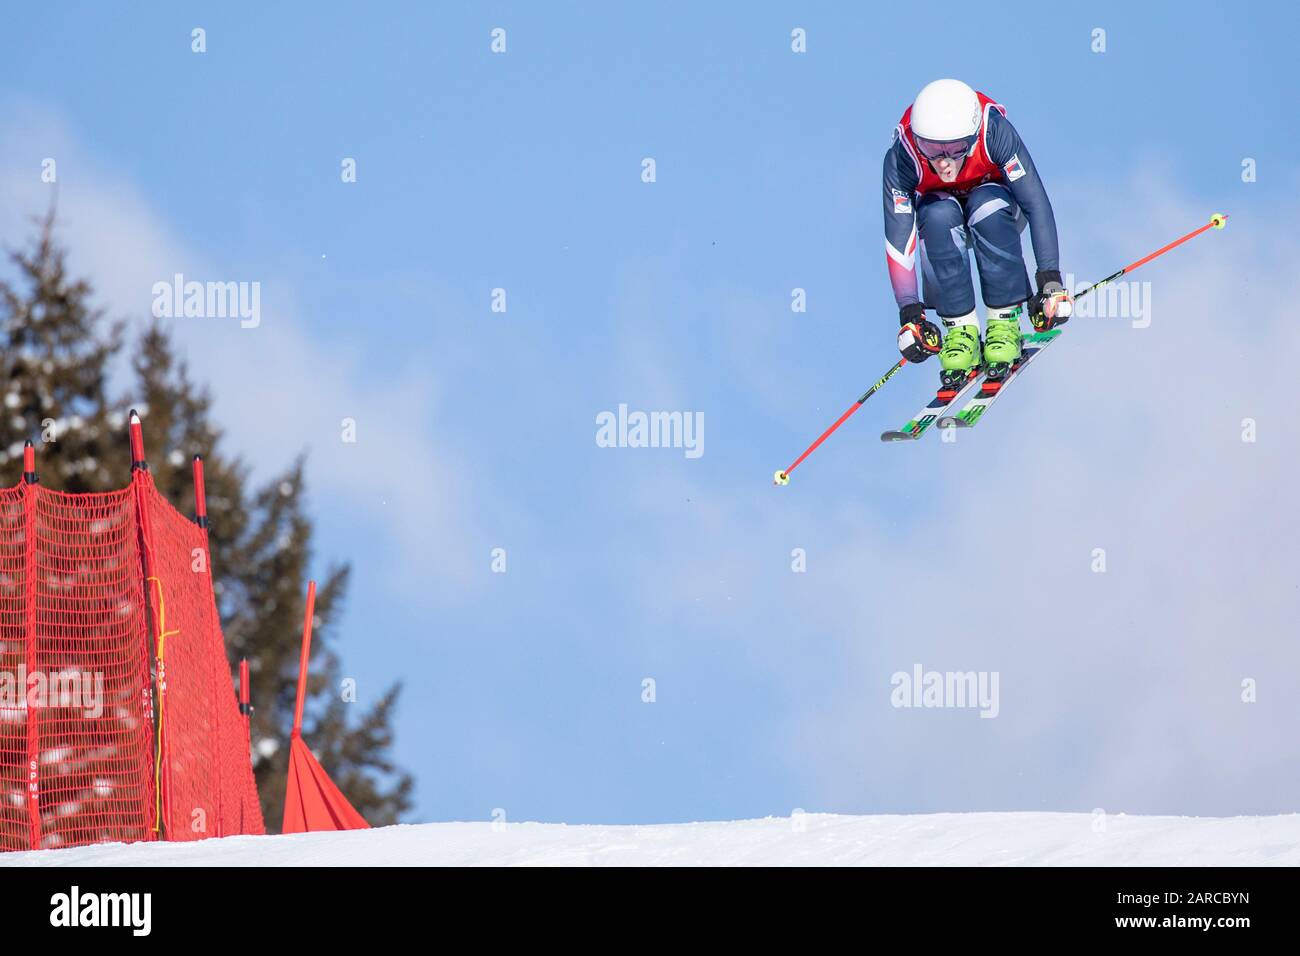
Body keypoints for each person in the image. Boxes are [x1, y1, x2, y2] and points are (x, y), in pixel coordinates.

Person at [885, 79, 1073, 393]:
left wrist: (1050, 282)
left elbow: (1035, 203)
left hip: (997, 211)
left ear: (972, 137)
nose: (943, 161)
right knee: (936, 213)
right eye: (931, 148)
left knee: (985, 203)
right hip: (942, 217)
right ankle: (962, 333)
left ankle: (1004, 324)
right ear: (918, 140)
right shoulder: (903, 157)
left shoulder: (994, 132)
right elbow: (898, 237)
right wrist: (910, 312)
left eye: (955, 148)